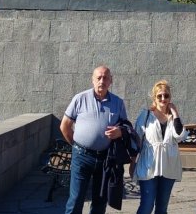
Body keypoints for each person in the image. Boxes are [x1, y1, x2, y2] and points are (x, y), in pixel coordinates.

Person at [60, 66, 127, 214]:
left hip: (105, 158)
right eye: (98, 77)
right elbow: (64, 126)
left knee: (100, 200)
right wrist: (77, 145)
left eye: (105, 78)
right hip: (82, 157)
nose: (102, 81)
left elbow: (126, 128)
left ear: (111, 81)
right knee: (76, 199)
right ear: (92, 79)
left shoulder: (118, 102)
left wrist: (120, 132)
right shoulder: (80, 99)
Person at [132, 80, 188, 214]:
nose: (163, 99)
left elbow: (180, 135)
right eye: (160, 96)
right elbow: (136, 140)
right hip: (148, 165)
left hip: (169, 166)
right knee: (147, 204)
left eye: (166, 96)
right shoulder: (145, 115)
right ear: (154, 97)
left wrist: (175, 113)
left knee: (162, 207)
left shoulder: (173, 118)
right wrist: (132, 161)